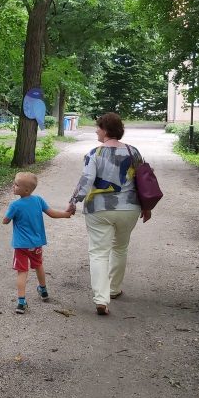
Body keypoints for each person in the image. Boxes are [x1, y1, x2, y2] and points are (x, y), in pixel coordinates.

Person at [67, 112, 151, 315]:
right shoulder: (133, 152)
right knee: (120, 248)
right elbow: (144, 181)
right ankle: (113, 289)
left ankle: (101, 299)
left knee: (98, 252)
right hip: (129, 208)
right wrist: (147, 206)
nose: (96, 130)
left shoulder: (95, 153)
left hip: (99, 209)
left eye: (98, 127)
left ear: (105, 130)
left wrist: (73, 202)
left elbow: (86, 180)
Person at [3, 171, 72, 314]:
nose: (13, 186)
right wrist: (66, 214)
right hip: (36, 244)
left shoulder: (15, 205)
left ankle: (21, 302)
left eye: (16, 185)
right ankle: (44, 290)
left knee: (22, 272)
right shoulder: (38, 200)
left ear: (26, 190)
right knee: (38, 265)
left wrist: (8, 217)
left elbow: (5, 221)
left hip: (21, 245)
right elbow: (52, 213)